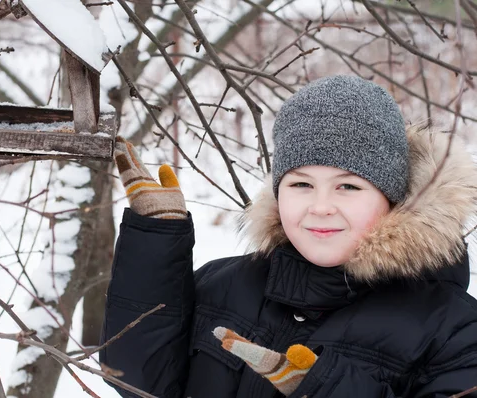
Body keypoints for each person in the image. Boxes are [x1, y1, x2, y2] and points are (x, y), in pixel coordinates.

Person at [100, 75, 477, 397]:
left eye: (348, 187)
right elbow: (141, 380)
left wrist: (323, 387)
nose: (320, 206)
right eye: (301, 184)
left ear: (392, 198)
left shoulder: (454, 330)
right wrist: (156, 240)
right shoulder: (223, 283)